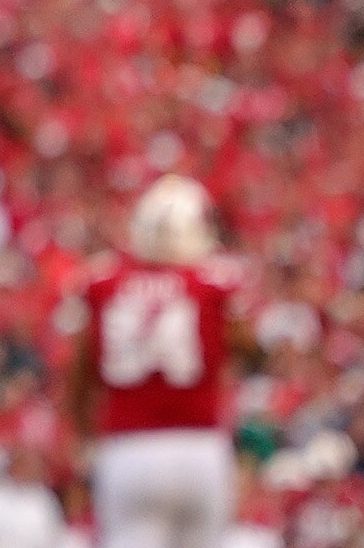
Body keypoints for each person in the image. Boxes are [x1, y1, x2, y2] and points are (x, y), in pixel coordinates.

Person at [64, 176, 252, 548]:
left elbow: (78, 373)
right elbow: (247, 347)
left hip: (128, 447)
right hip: (199, 445)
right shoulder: (213, 282)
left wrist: (84, 436)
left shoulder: (103, 282)